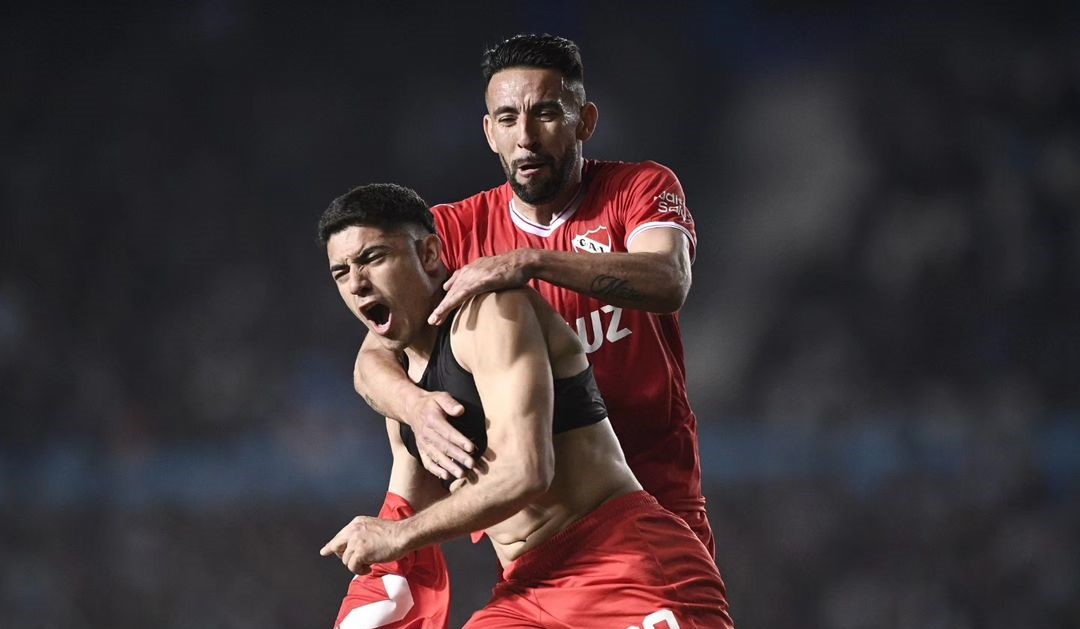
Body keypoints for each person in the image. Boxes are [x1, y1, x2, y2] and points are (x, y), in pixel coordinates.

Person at [352, 33, 716, 556]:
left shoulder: (637, 189)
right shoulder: (450, 232)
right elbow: (371, 360)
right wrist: (416, 408)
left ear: (585, 120)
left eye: (545, 113)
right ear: (488, 132)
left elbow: (667, 280)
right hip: (532, 533)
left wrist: (527, 261)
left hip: (653, 510)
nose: (525, 137)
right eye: (506, 119)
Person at [318, 184, 733, 629]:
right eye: (341, 272)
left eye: (373, 259)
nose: (357, 284)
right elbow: (404, 510)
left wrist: (396, 538)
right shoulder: (404, 390)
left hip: (622, 563)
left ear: (431, 254)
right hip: (526, 591)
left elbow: (527, 472)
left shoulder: (492, 313)